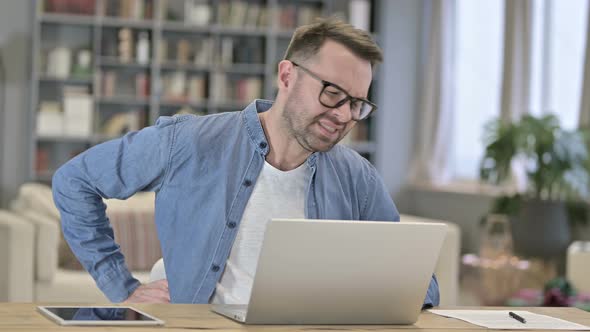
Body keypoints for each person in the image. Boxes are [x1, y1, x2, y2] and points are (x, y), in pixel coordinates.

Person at [52, 17, 440, 307]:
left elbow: (420, 281)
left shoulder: (357, 176)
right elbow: (74, 182)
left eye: (356, 103)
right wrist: (124, 287)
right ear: (287, 75)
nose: (342, 115)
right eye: (332, 93)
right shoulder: (188, 142)